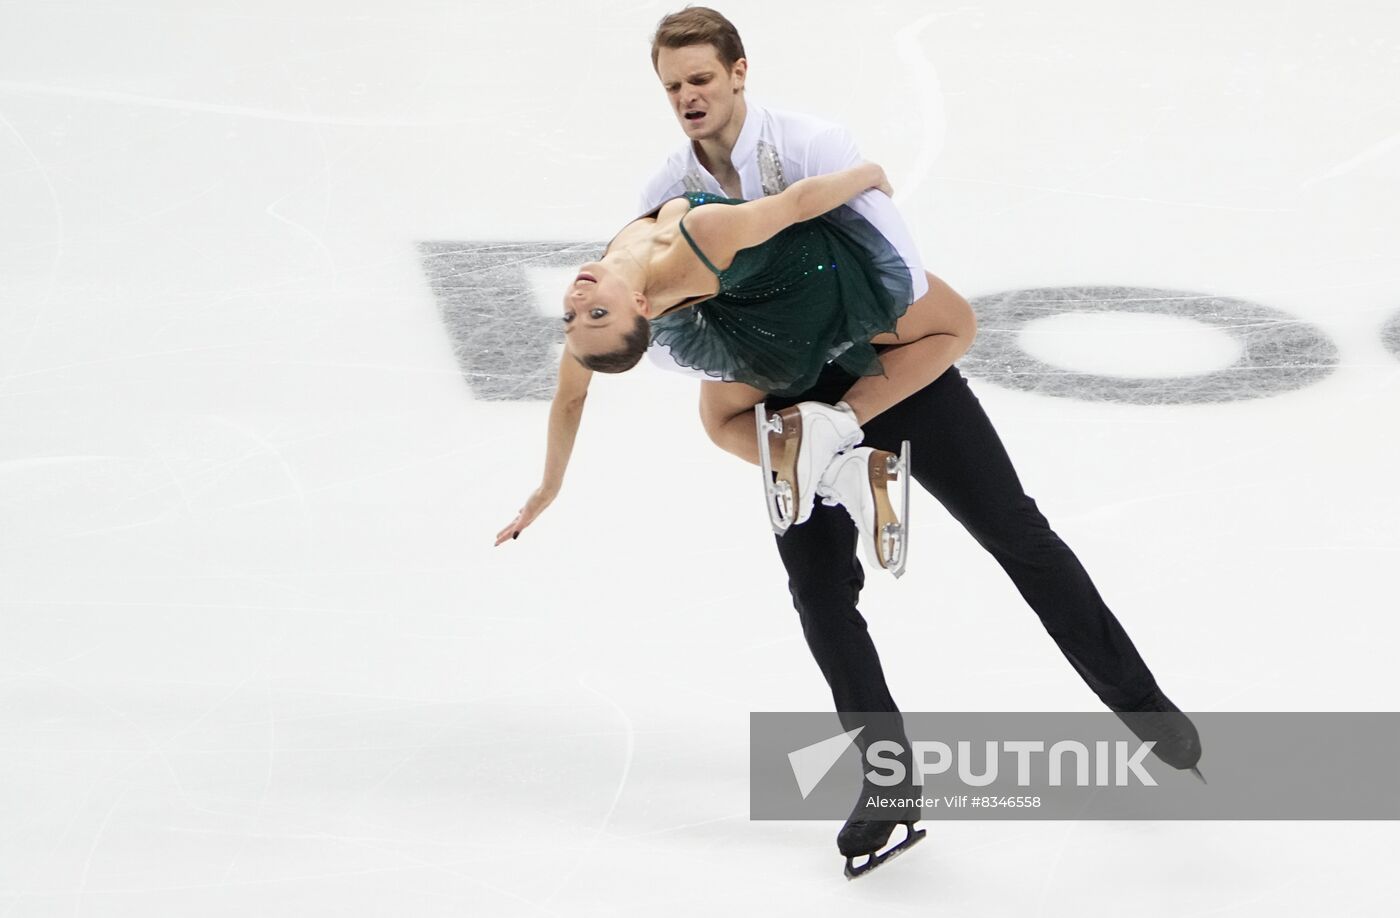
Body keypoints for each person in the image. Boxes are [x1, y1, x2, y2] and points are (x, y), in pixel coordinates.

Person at [504, 6, 1203, 876]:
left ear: (738, 73)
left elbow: (900, 276)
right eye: (673, 85)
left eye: (701, 80)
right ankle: (889, 784)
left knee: (1015, 532)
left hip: (881, 357)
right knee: (818, 590)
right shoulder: (661, 193)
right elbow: (592, 355)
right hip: (781, 384)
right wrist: (548, 486)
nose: (688, 97)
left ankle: (1139, 705)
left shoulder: (809, 143)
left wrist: (856, 379)